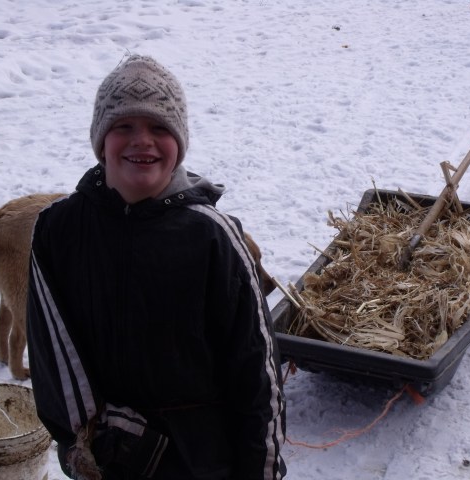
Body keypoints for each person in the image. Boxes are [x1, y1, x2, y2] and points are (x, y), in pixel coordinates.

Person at [26, 54, 286, 480]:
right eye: (123, 126)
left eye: (159, 128)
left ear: (179, 143)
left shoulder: (213, 238)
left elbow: (256, 377)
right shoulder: (58, 230)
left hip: (201, 464)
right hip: (105, 462)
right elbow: (52, 358)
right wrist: (85, 443)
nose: (141, 141)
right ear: (100, 138)